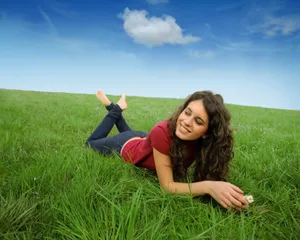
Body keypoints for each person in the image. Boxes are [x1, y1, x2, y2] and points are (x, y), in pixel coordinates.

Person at [85, 90, 249, 211]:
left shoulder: (202, 143)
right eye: (187, 113)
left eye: (198, 121)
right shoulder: (163, 131)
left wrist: (228, 194)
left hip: (145, 140)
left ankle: (116, 108)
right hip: (125, 145)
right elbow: (168, 186)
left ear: (207, 133)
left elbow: (209, 178)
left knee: (133, 134)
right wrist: (209, 186)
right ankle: (115, 108)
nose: (186, 122)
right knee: (90, 143)